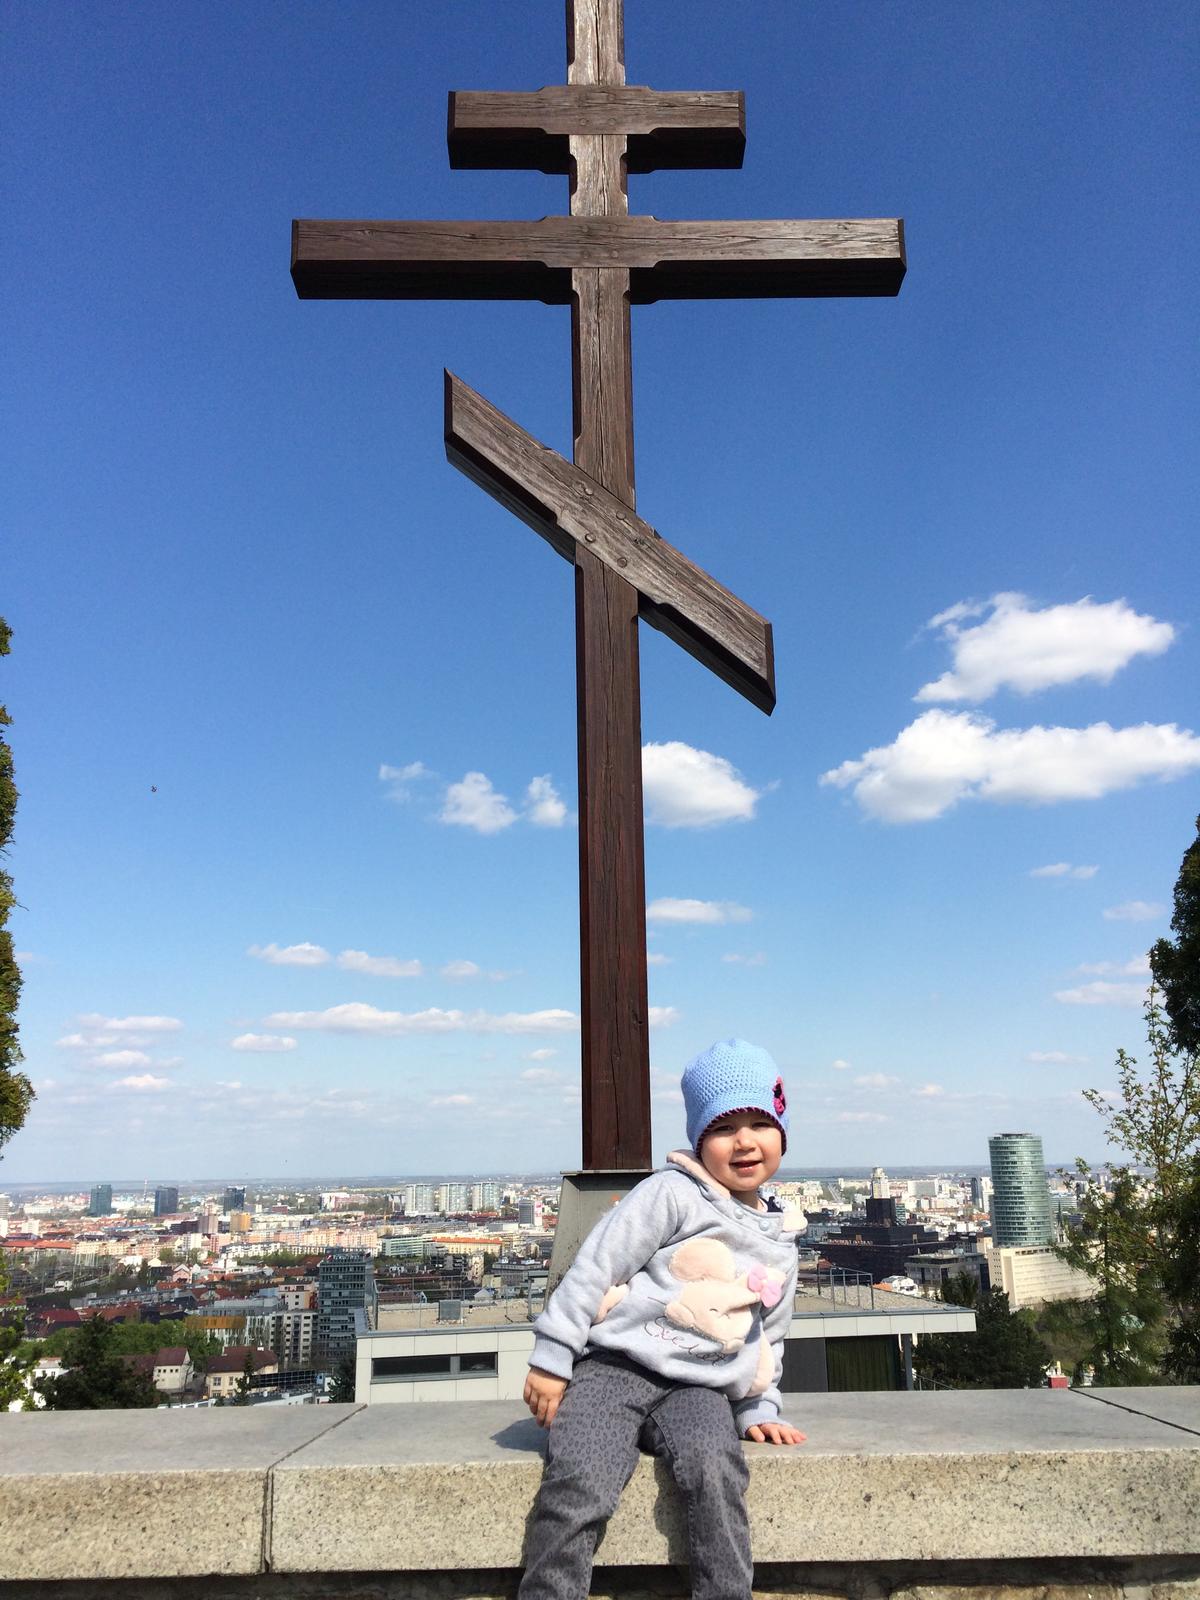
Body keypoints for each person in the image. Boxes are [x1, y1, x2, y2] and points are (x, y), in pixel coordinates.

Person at [518, 1038, 806, 1600]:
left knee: (716, 1472)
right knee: (581, 1481)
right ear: (699, 1138)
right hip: (614, 1367)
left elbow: (768, 1338)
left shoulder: (782, 1238)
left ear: (781, 1131)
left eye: (760, 1123)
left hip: (701, 1388)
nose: (745, 1141)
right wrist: (553, 1358)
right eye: (724, 1127)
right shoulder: (671, 1193)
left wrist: (757, 1406)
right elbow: (596, 1268)